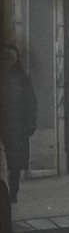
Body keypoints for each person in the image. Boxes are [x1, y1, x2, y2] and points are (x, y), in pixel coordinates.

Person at [1, 45, 37, 202]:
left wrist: (30, 123)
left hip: (16, 128)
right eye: (6, 58)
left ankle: (13, 192)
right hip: (5, 127)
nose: (8, 62)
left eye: (11, 58)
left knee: (14, 163)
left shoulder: (22, 78)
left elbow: (31, 101)